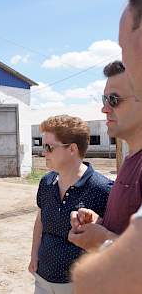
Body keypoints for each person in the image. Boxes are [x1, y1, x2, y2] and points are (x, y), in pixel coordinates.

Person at [28, 115, 112, 294]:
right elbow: (40, 220)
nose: (44, 153)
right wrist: (34, 255)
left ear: (72, 149)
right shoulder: (46, 182)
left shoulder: (102, 188)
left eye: (49, 147)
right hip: (42, 278)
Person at [68, 61, 142, 251]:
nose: (105, 108)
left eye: (114, 100)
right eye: (104, 99)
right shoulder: (131, 160)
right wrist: (101, 224)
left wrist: (104, 242)